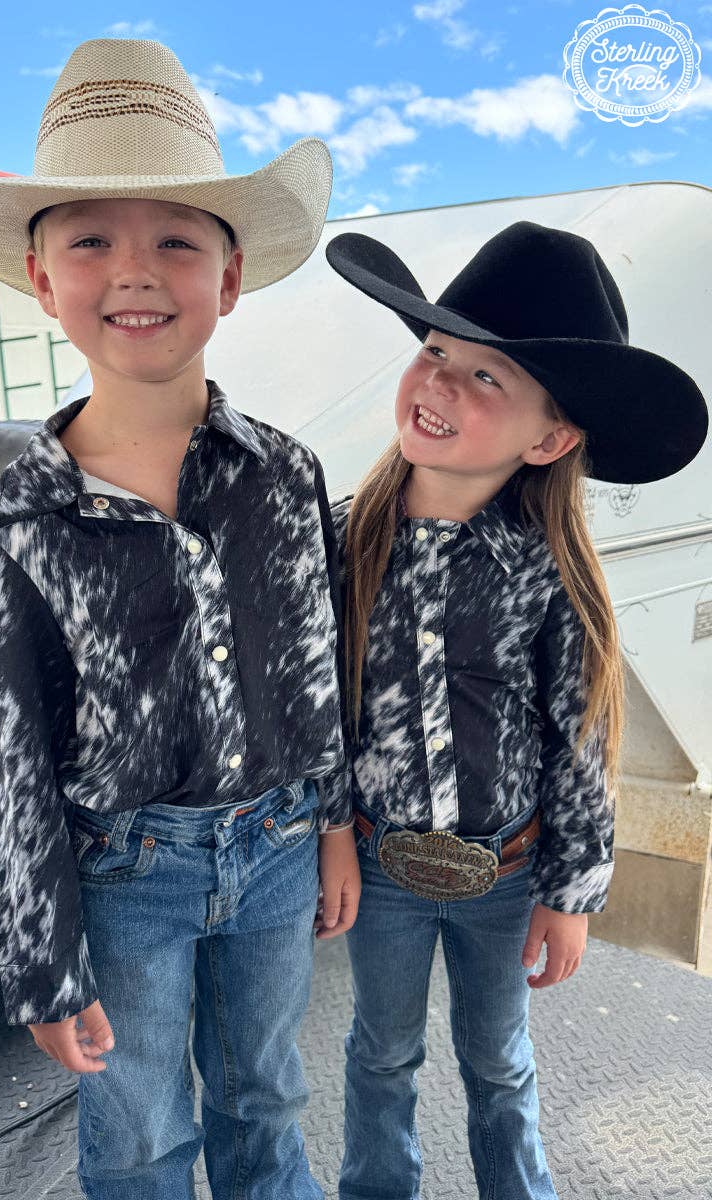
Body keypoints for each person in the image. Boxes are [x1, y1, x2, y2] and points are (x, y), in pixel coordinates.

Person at [0, 38, 360, 1200]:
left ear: (230, 276)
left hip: (276, 847)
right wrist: (40, 954)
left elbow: (313, 667)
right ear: (40, 277)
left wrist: (335, 827)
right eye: (90, 241)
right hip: (124, 871)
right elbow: (9, 737)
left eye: (174, 239)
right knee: (138, 1130)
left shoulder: (284, 474)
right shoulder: (24, 507)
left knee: (267, 1099)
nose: (134, 272)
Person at [322, 222, 707, 1200]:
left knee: (497, 1059)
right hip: (378, 864)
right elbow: (315, 708)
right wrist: (329, 839)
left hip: (505, 871)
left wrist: (571, 892)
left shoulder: (547, 574)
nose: (440, 383)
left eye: (486, 375)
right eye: (434, 352)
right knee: (379, 1051)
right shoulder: (340, 541)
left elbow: (579, 740)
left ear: (549, 438)